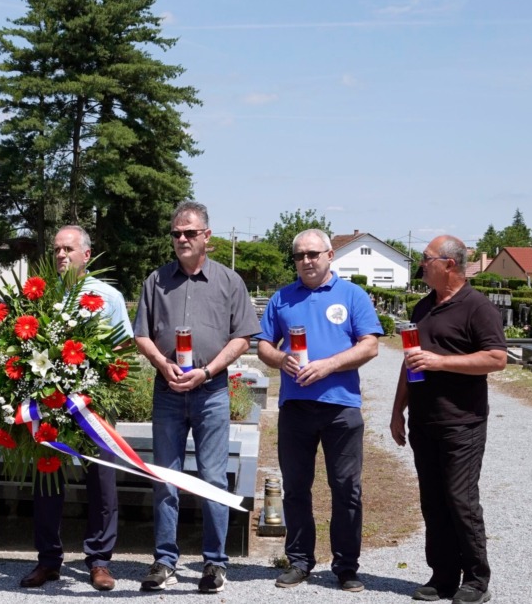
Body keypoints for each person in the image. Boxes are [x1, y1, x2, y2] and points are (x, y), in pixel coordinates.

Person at [134, 201, 261, 594]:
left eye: (190, 232)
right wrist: (161, 363)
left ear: (207, 235)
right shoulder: (156, 281)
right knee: (165, 479)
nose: (182, 239)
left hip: (211, 392)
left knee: (211, 478)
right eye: (176, 233)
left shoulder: (229, 281)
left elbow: (242, 336)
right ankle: (165, 561)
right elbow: (141, 334)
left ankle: (214, 563)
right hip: (168, 391)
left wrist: (208, 370)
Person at [256, 229, 382, 592]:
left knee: (346, 489)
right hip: (296, 407)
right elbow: (263, 345)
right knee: (296, 488)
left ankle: (346, 566)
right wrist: (282, 359)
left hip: (341, 406)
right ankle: (299, 561)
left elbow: (370, 346)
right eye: (299, 256)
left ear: (330, 255)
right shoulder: (282, 298)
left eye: (313, 254)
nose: (307, 261)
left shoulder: (352, 295)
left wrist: (328, 366)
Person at [390, 236, 506, 604]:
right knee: (433, 500)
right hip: (424, 422)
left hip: (462, 422)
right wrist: (397, 411)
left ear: (449, 264)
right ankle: (442, 576)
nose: (422, 264)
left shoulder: (478, 308)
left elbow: (496, 359)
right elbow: (410, 362)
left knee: (460, 499)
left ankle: (475, 579)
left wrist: (441, 362)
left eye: (427, 259)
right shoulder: (424, 307)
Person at [18, 225, 133, 592]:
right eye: (56, 250)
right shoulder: (40, 296)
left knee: (101, 480)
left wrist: (92, 380)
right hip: (49, 406)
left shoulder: (108, 296)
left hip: (93, 405)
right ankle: (48, 560)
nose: (61, 255)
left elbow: (123, 349)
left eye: (68, 249)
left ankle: (99, 560)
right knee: (48, 478)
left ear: (86, 254)